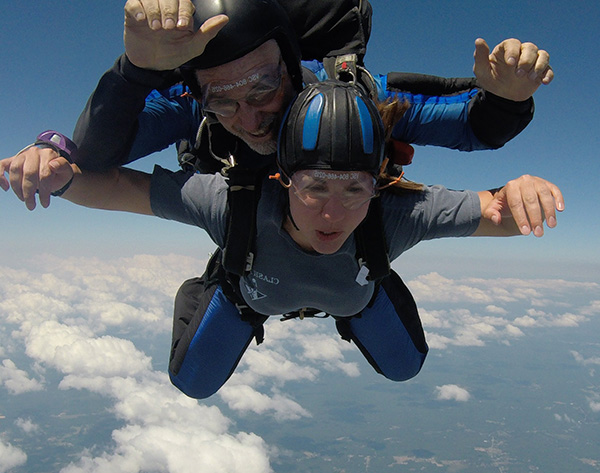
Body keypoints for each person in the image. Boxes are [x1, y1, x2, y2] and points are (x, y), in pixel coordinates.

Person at [0, 81, 564, 399]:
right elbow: (123, 187)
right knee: (191, 382)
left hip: (349, 289)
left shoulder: (392, 215)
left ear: (379, 183)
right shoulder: (234, 204)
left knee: (405, 368)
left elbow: (497, 209)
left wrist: (522, 191)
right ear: (282, 178)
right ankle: (221, 283)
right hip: (250, 291)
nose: (333, 209)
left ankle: (361, 291)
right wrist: (60, 171)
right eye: (315, 185)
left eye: (355, 188)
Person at [1, 0, 553, 208]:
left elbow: (470, 127)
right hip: (248, 247)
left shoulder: (350, 99)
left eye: (263, 88)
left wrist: (506, 97)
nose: (248, 115)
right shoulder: (196, 105)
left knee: (400, 359)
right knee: (193, 375)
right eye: (222, 99)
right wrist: (134, 71)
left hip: (347, 244)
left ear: (293, 68)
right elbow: (98, 154)